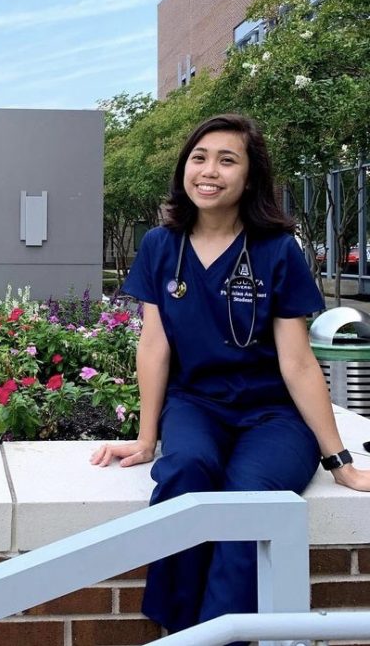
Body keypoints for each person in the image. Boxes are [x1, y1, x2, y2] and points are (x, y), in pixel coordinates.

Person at [90, 114, 370, 641]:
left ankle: (216, 635)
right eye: (199, 158)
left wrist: (341, 463)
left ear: (249, 176)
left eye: (227, 160)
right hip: (197, 404)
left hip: (272, 415)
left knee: (250, 495)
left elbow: (298, 362)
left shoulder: (275, 250)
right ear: (184, 169)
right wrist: (148, 438)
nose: (209, 171)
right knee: (187, 472)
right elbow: (154, 345)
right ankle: (179, 626)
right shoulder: (160, 245)